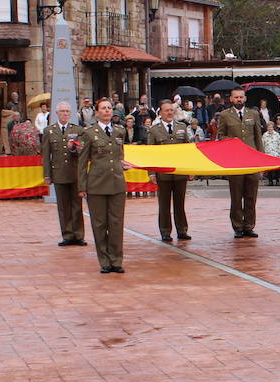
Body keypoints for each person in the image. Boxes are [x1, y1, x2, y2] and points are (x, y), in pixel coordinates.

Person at [77, 99, 133, 273]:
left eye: (109, 108)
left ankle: (117, 260)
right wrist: (82, 186)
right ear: (97, 112)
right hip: (97, 184)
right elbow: (82, 161)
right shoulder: (88, 133)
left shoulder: (119, 131)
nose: (107, 111)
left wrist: (123, 164)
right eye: (103, 108)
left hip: (116, 182)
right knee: (100, 224)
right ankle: (104, 261)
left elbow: (120, 154)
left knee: (116, 223)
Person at [215, 87, 264, 238]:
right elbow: (220, 136)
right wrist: (231, 141)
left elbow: (258, 138)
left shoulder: (254, 114)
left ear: (245, 98)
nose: (239, 100)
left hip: (251, 161)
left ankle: (249, 226)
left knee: (251, 195)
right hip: (235, 161)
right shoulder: (224, 115)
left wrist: (261, 161)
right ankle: (237, 226)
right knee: (236, 196)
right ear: (231, 99)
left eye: (241, 97)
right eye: (236, 97)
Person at [146, 99, 196, 242]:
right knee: (164, 204)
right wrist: (151, 173)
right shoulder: (154, 131)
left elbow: (188, 149)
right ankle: (165, 231)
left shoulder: (181, 127)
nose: (169, 112)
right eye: (166, 110)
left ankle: (182, 230)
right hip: (163, 174)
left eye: (171, 110)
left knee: (180, 203)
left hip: (180, 172)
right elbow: (150, 154)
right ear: (160, 113)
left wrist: (191, 168)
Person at [42, 102, 87, 247]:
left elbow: (82, 151)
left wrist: (74, 148)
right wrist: (47, 175)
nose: (65, 114)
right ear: (57, 113)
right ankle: (67, 234)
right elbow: (46, 155)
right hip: (59, 172)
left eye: (67, 111)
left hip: (74, 173)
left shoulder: (78, 130)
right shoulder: (49, 131)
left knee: (77, 205)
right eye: (62, 111)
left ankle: (78, 235)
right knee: (63, 206)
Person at [262, 116, 280, 185]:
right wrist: (264, 153)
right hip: (268, 154)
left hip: (276, 154)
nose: (270, 128)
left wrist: (278, 152)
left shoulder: (277, 135)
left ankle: (277, 180)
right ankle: (270, 180)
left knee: (277, 168)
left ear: (273, 127)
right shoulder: (264, 135)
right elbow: (262, 144)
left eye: (271, 127)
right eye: (269, 127)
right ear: (267, 128)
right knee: (270, 169)